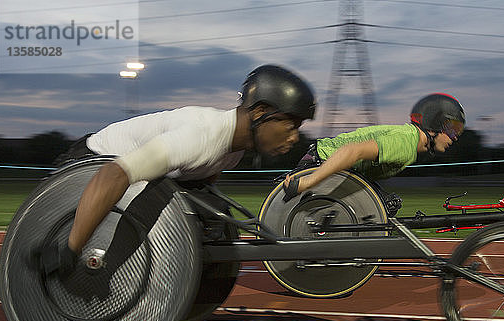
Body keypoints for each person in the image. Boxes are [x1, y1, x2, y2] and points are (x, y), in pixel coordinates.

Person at [39, 64, 316, 275]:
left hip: (120, 175)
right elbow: (114, 174)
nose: (293, 138)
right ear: (259, 112)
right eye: (291, 125)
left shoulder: (236, 149)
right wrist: (71, 249)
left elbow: (196, 187)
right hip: (90, 163)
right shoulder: (198, 136)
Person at [282, 93, 465, 200]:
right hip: (319, 162)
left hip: (334, 167)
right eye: (452, 129)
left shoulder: (409, 142)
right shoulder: (405, 142)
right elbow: (352, 151)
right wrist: (306, 182)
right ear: (435, 122)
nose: (455, 137)